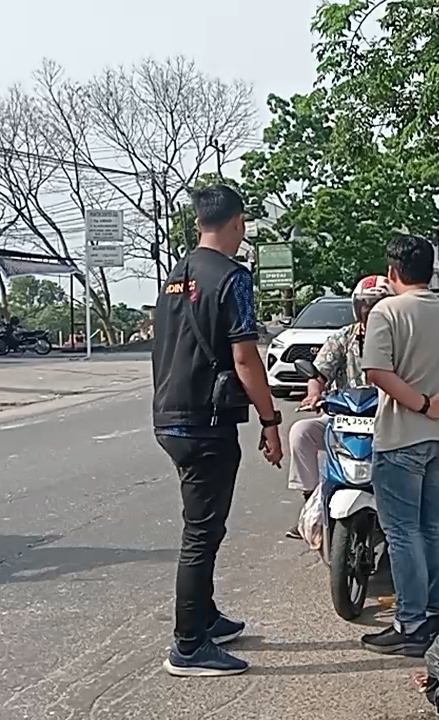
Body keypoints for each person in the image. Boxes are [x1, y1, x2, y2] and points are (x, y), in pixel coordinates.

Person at [151, 184, 285, 677]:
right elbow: (245, 355)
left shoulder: (175, 274)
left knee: (206, 527)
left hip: (170, 415)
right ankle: (188, 646)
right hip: (205, 423)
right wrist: (270, 420)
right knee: (202, 534)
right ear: (238, 222)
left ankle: (205, 617)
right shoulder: (231, 277)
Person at [359, 233, 439, 657]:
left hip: (403, 436)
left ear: (392, 272)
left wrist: (421, 405)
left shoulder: (387, 311)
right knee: (435, 525)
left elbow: (376, 372)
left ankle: (411, 623)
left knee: (402, 532)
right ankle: (435, 615)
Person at [284, 275, 393, 539]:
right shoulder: (343, 338)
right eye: (366, 305)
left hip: (388, 419)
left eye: (378, 305)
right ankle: (313, 504)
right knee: (301, 432)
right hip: (343, 417)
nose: (371, 310)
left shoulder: (401, 340)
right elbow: (318, 373)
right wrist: (314, 395)